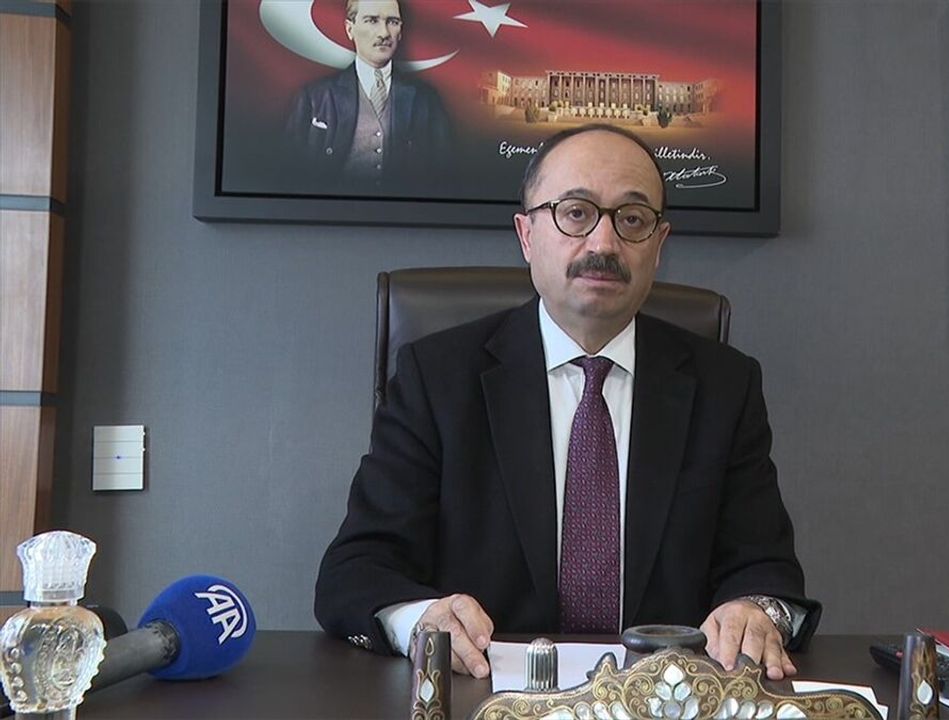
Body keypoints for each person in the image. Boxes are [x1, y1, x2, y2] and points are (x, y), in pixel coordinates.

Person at [315, 124, 817, 682]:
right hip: (487, 697)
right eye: (575, 213)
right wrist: (422, 622)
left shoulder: (725, 386)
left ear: (659, 245)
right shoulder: (437, 378)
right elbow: (356, 570)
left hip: (661, 700)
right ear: (526, 234)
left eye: (632, 219)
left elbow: (767, 571)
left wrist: (755, 612)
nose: (603, 245)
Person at [283, 0, 451, 193]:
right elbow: (290, 177)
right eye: (372, 20)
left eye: (392, 22)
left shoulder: (426, 100)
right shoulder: (314, 98)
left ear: (401, 31)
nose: (384, 33)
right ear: (350, 29)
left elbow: (442, 178)